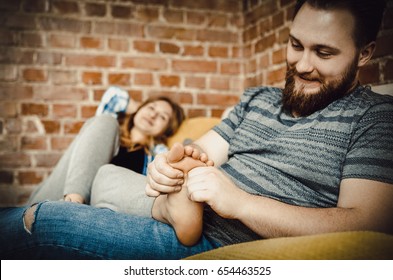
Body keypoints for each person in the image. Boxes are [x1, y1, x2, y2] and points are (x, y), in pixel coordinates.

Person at [1, 0, 392, 260]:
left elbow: (371, 223)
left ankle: (172, 211)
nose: (303, 65)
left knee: (40, 220)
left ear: (366, 53)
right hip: (190, 213)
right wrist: (167, 169)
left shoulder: (375, 117)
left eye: (323, 53)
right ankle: (170, 208)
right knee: (104, 174)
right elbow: (193, 152)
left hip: (218, 237)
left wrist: (241, 203)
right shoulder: (257, 100)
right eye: (295, 45)